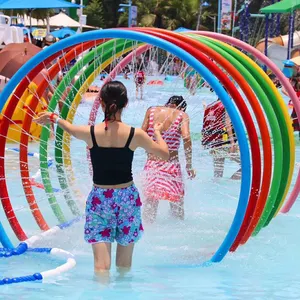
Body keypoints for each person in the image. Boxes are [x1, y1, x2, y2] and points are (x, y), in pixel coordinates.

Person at [33, 81, 169, 275]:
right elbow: (164, 154)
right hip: (127, 199)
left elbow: (69, 128)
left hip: (100, 199)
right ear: (126, 103)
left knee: (101, 267)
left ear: (101, 103)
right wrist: (156, 132)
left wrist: (53, 117)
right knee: (124, 266)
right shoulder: (135, 134)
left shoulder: (91, 133)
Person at [141, 96, 196, 223]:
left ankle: (148, 232)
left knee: (151, 202)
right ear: (181, 107)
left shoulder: (151, 111)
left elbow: (142, 133)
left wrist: (148, 150)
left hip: (152, 163)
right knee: (176, 202)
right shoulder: (182, 115)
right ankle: (178, 232)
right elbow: (187, 138)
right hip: (171, 164)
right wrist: (189, 165)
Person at [202, 98, 241, 179]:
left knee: (218, 174)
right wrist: (232, 143)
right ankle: (232, 181)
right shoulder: (226, 105)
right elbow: (227, 123)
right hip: (225, 141)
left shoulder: (210, 106)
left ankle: (215, 189)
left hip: (214, 142)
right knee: (247, 165)